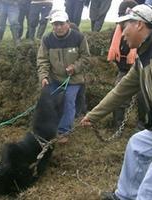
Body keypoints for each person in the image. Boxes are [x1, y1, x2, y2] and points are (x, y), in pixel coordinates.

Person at [80, 4, 152, 200]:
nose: (121, 34)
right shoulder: (143, 56)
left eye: (124, 26)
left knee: (148, 191)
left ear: (139, 24)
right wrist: (93, 115)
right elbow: (121, 90)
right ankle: (124, 196)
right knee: (138, 144)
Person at [38, 10, 90, 143]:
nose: (58, 27)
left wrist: (75, 67)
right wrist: (44, 77)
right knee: (50, 102)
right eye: (55, 24)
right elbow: (42, 60)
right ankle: (49, 127)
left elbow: (85, 57)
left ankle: (63, 132)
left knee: (68, 100)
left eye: (61, 24)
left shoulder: (79, 37)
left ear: (68, 23)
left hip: (74, 79)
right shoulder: (47, 39)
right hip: (55, 78)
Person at [107, 0, 139, 128]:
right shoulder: (115, 33)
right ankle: (117, 126)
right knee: (118, 95)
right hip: (124, 69)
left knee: (145, 98)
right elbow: (114, 52)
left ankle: (143, 126)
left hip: (142, 69)